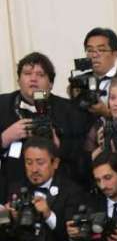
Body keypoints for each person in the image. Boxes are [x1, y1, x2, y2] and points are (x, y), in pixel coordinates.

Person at [0, 51, 89, 191]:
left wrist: (59, 147)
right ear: (18, 80)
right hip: (12, 188)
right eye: (27, 73)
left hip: (60, 189)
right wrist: (5, 138)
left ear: (51, 83)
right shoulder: (2, 105)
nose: (33, 79)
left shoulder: (70, 110)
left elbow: (83, 156)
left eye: (40, 75)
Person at [3, 136, 87, 241]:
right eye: (29, 162)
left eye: (40, 162)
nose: (34, 169)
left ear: (55, 163)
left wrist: (49, 215)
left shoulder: (72, 191)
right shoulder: (15, 189)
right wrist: (8, 219)